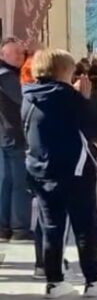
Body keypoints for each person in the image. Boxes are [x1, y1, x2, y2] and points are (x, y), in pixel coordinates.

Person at [23, 49, 97, 299]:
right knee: (85, 224)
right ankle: (93, 280)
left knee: (52, 226)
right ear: (64, 70)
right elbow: (95, 126)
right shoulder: (67, 96)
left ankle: (54, 282)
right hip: (74, 170)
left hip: (41, 169)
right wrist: (84, 97)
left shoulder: (28, 94)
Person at [0, 37, 31, 242]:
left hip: (5, 135)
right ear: (3, 55)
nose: (21, 56)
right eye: (16, 53)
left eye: (22, 53)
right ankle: (19, 228)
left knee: (6, 182)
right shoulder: (8, 77)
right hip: (14, 135)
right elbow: (26, 100)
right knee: (20, 183)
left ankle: (4, 228)